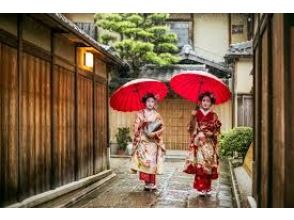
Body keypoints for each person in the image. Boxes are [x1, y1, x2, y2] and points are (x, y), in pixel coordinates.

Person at [183, 91, 222, 196]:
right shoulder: (196, 113)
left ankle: (207, 187)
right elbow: (190, 128)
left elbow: (217, 129)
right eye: (203, 100)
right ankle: (201, 188)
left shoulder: (214, 115)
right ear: (200, 102)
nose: (205, 103)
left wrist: (212, 133)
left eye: (208, 101)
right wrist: (192, 118)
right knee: (200, 165)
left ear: (211, 103)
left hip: (209, 143)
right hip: (199, 143)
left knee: (208, 164)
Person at [130, 93, 165, 191]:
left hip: (152, 142)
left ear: (155, 103)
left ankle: (152, 182)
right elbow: (135, 129)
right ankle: (146, 182)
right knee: (145, 162)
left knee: (152, 163)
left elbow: (162, 127)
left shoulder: (157, 115)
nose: (150, 103)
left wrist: (154, 134)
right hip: (143, 143)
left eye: (152, 101)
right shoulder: (140, 114)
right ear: (145, 102)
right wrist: (141, 123)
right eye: (148, 101)